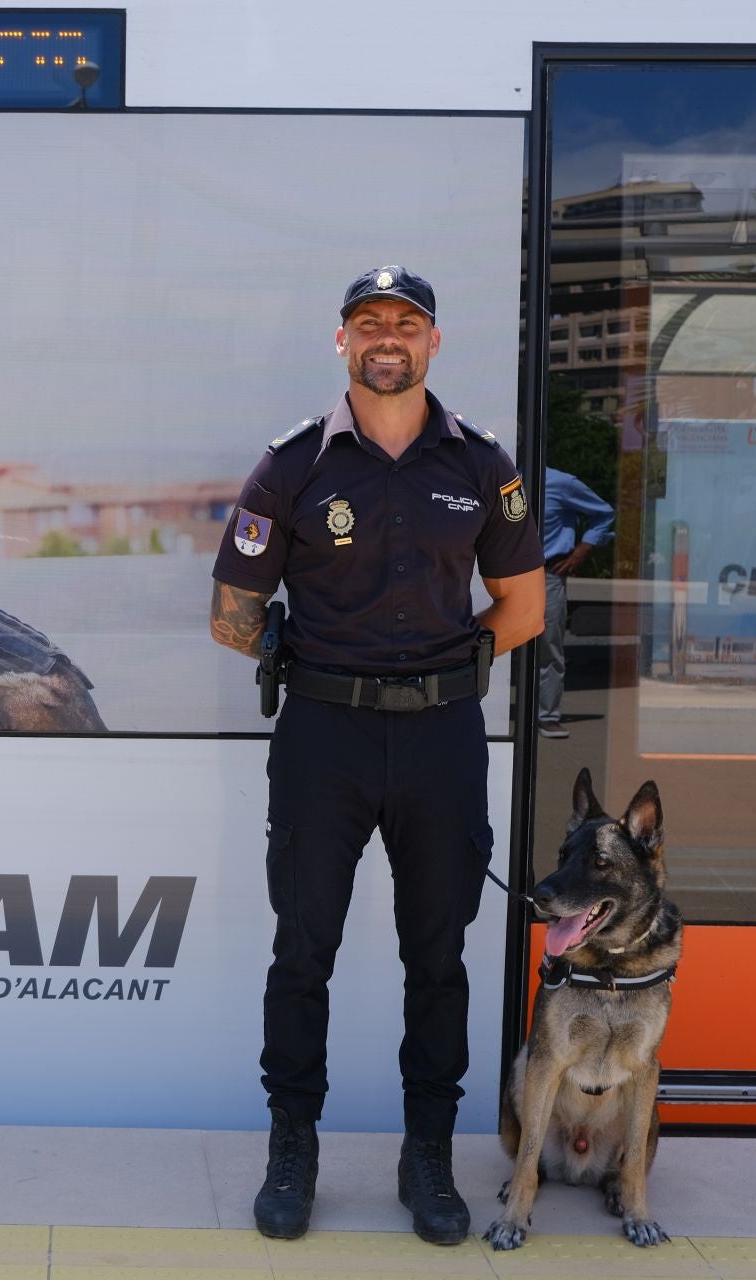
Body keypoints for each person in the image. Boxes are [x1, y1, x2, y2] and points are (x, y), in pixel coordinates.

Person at [209, 266, 545, 1245]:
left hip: (442, 736)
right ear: (343, 342)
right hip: (325, 737)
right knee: (302, 947)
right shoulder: (294, 465)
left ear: (434, 341)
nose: (386, 336)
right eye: (368, 323)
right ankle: (292, 1149)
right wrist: (301, 652)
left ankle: (428, 1156)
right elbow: (233, 613)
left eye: (405, 322)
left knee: (438, 957)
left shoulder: (483, 462)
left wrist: (451, 661)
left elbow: (522, 606)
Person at [536, 467, 614, 738]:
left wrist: (582, 551)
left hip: (546, 574)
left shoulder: (562, 483)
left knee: (548, 646)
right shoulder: (494, 473)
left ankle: (546, 715)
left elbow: (604, 513)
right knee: (494, 645)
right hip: (500, 574)